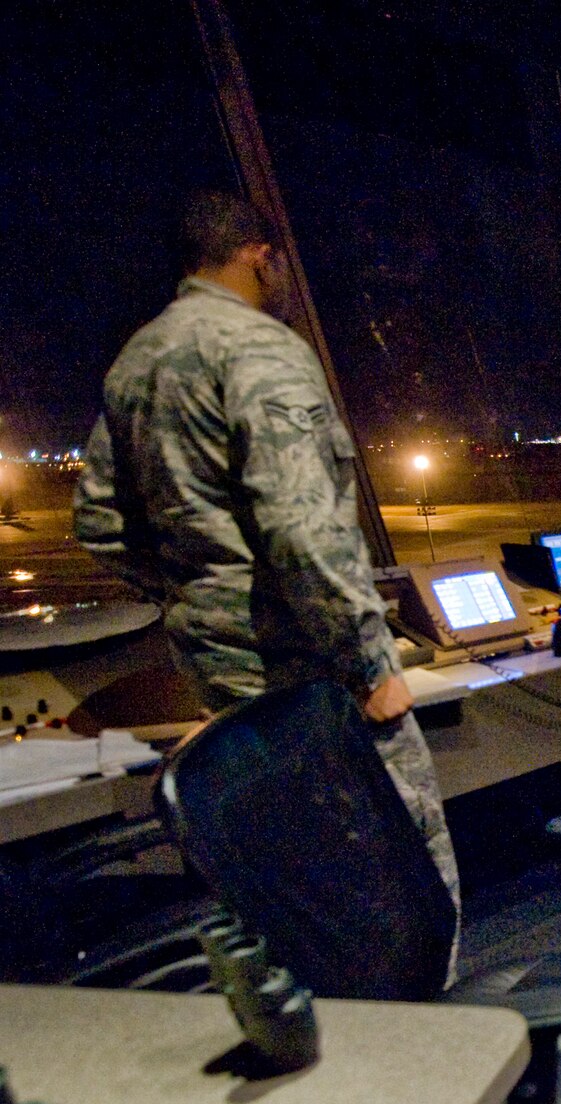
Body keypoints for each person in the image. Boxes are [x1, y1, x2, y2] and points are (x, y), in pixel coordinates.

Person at [73, 191, 461, 970]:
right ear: (259, 257)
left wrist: (199, 589)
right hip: (315, 678)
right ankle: (442, 1037)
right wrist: (367, 662)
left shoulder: (137, 360)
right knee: (405, 887)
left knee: (300, 897)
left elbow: (99, 522)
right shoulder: (261, 348)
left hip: (223, 678)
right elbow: (301, 527)